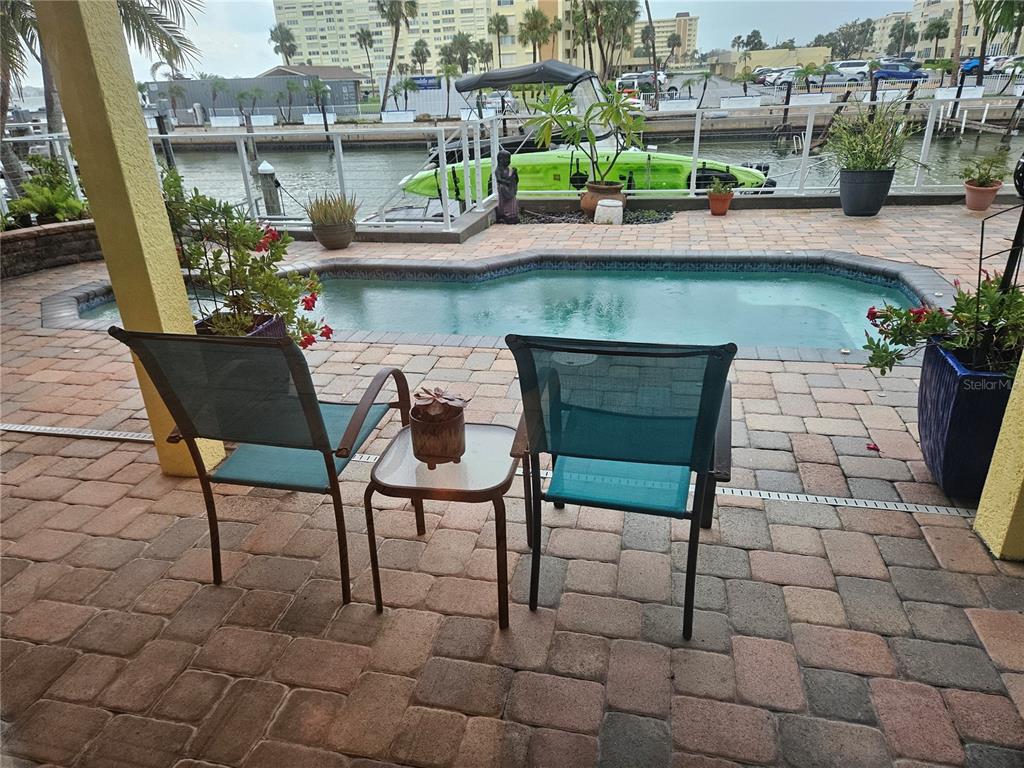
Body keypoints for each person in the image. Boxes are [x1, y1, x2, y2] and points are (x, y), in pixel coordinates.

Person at [495, 149, 519, 224]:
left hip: (511, 189)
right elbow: (499, 180)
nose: (508, 161)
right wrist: (507, 182)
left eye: (509, 159)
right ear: (500, 160)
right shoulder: (498, 170)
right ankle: (505, 215)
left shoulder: (509, 169)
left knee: (512, 202)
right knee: (504, 203)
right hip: (504, 190)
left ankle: (512, 215)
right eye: (506, 159)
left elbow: (516, 179)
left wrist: (515, 174)